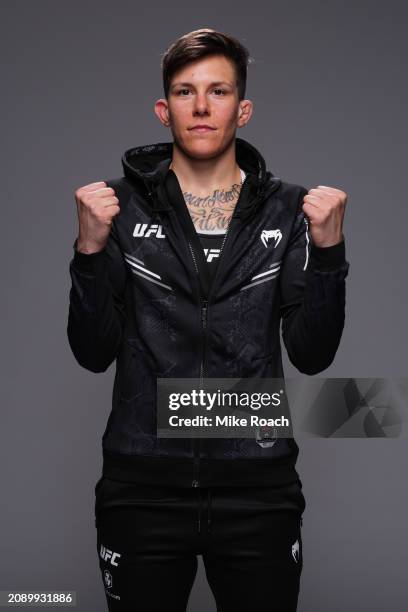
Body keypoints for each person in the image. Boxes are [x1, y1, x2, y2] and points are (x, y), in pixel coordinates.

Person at [67, 28, 349, 612]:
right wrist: (88, 252)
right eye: (184, 91)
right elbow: (92, 352)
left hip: (258, 493)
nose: (201, 106)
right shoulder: (115, 209)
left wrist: (329, 254)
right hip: (141, 491)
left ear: (241, 109)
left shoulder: (289, 210)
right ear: (163, 109)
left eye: (217, 91)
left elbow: (312, 354)